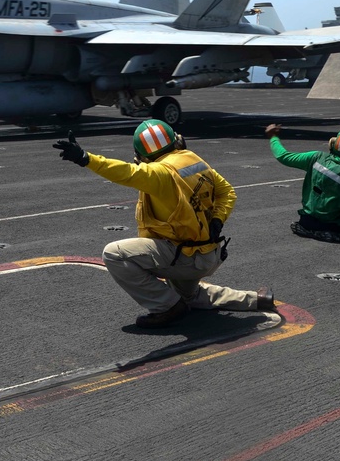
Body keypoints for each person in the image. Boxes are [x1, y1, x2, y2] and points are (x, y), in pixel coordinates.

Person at [53, 121, 275, 329]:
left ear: (143, 155)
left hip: (184, 256)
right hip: (208, 252)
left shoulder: (159, 173)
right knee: (190, 295)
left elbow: (127, 173)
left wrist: (86, 158)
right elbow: (227, 191)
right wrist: (218, 219)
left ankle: (168, 308)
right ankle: (256, 300)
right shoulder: (194, 160)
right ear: (176, 141)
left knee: (114, 254)